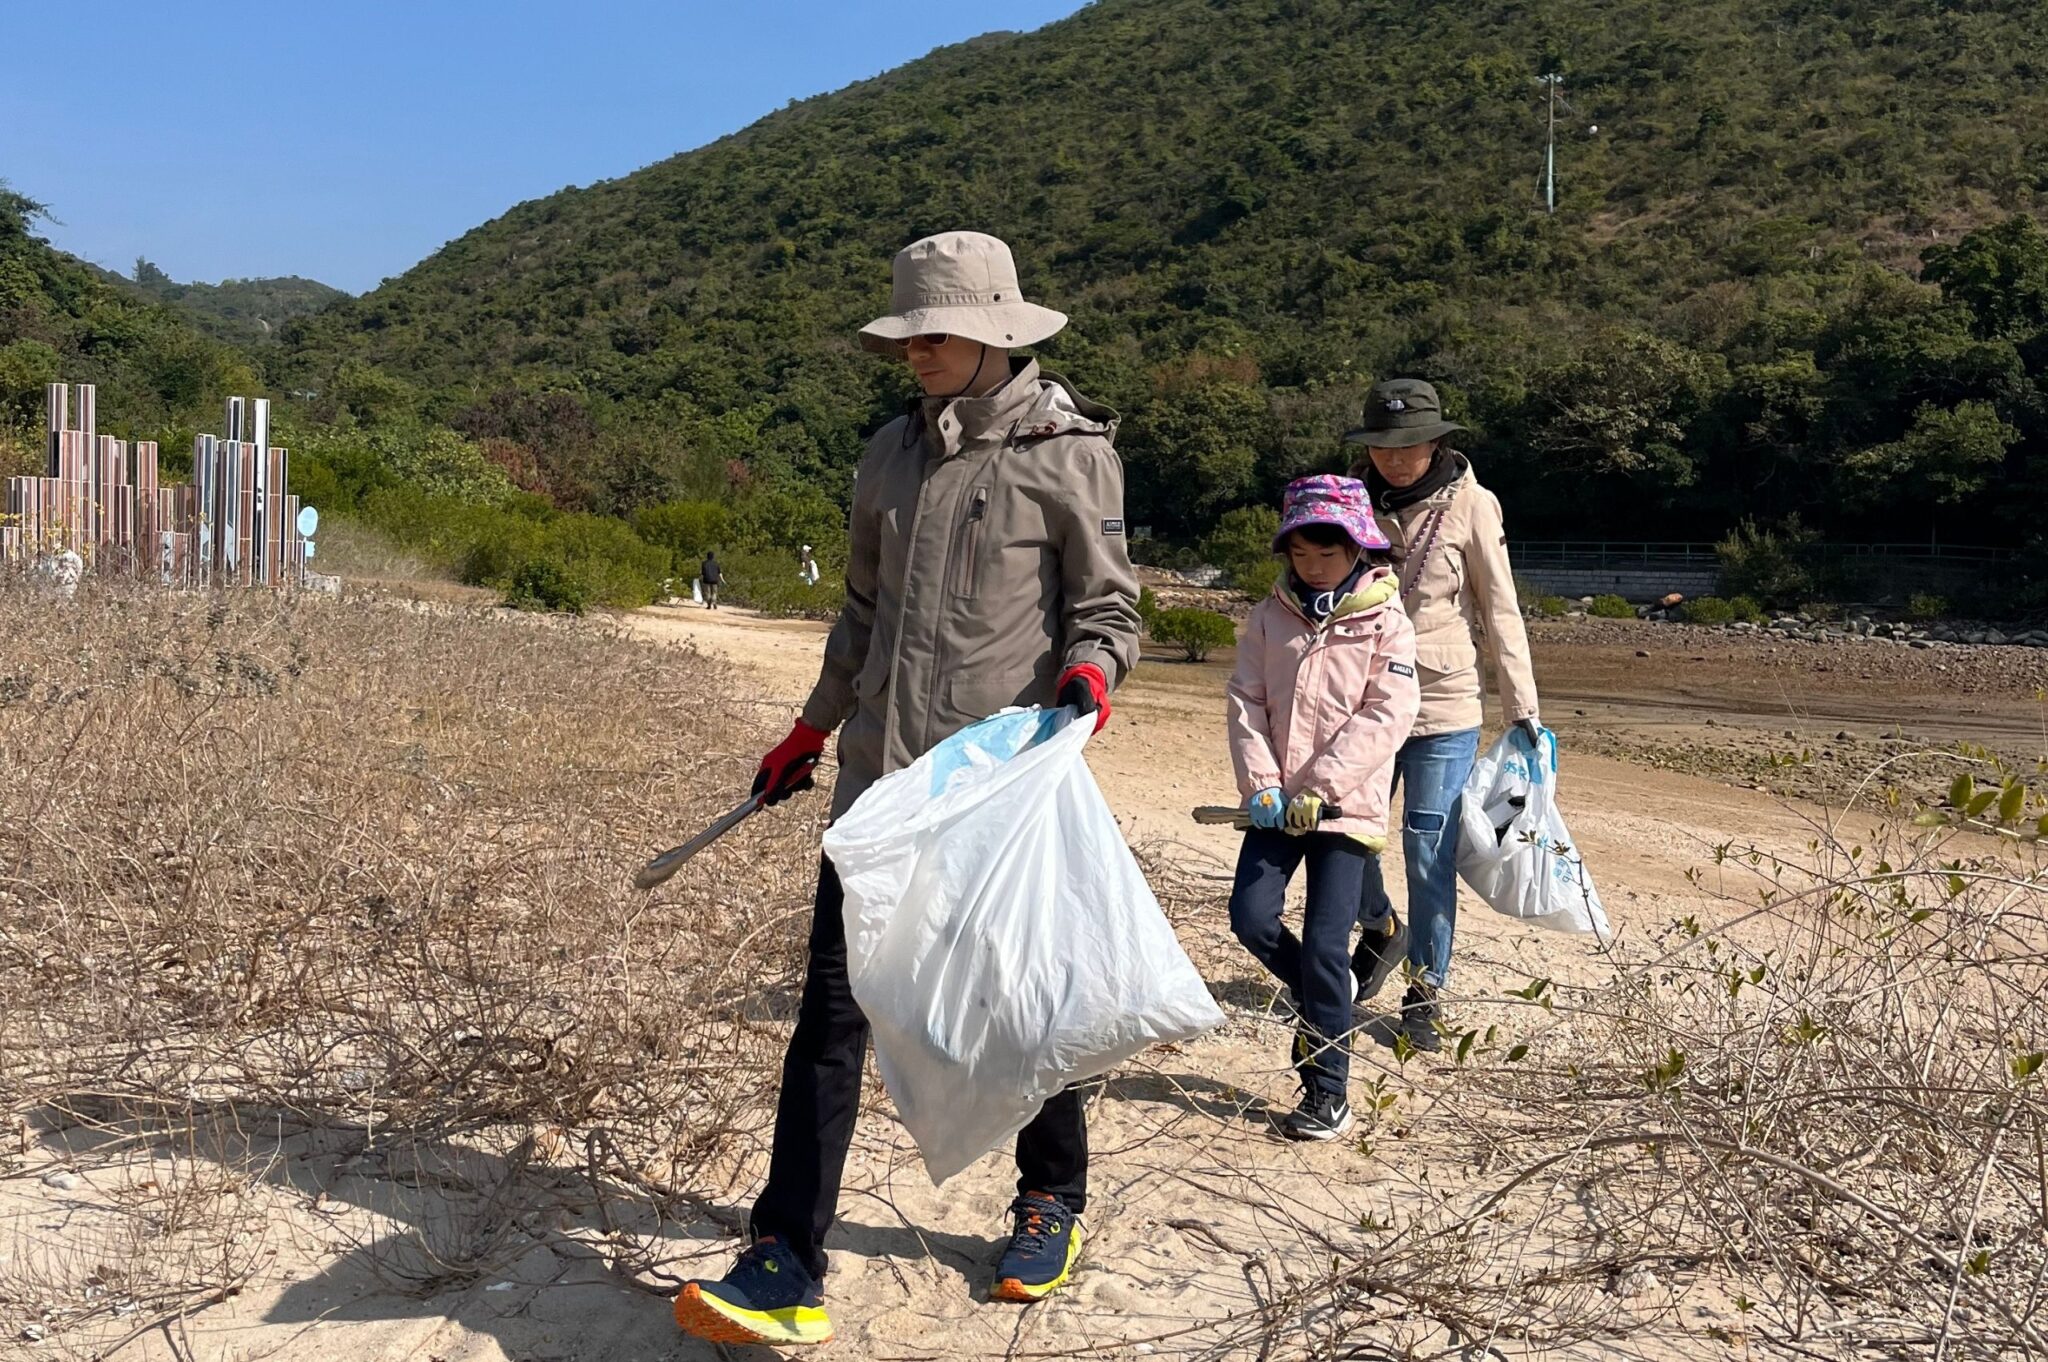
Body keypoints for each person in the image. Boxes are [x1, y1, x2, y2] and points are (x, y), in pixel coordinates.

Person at [673, 231, 1142, 1349]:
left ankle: (1049, 1200)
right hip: (875, 786)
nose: (914, 353)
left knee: (1016, 1004)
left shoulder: (1067, 453)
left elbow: (1109, 611)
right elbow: (863, 616)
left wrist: (1088, 679)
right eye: (906, 335)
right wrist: (809, 727)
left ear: (989, 332)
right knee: (830, 1021)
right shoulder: (886, 455)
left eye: (932, 333)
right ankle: (784, 1254)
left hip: (988, 793)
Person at [1343, 379, 1541, 1052]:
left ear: (1437, 441)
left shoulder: (1473, 506)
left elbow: (1500, 609)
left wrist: (1523, 709)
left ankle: (1427, 990)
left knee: (1424, 843)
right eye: (1381, 446)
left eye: (1409, 446)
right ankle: (1379, 927)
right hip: (1361, 696)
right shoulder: (1352, 499)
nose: (1394, 460)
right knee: (1346, 830)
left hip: (1442, 701)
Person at [1225, 476, 1419, 1140]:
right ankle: (1320, 992)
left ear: (1360, 549)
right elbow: (1246, 702)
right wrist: (1263, 787)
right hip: (1276, 807)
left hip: (1346, 812)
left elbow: (1387, 714)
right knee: (1250, 917)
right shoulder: (1267, 615)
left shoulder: (1387, 621)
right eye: (1300, 555)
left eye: (1326, 556)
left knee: (1327, 943)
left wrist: (1323, 787)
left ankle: (1325, 1092)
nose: (1311, 568)